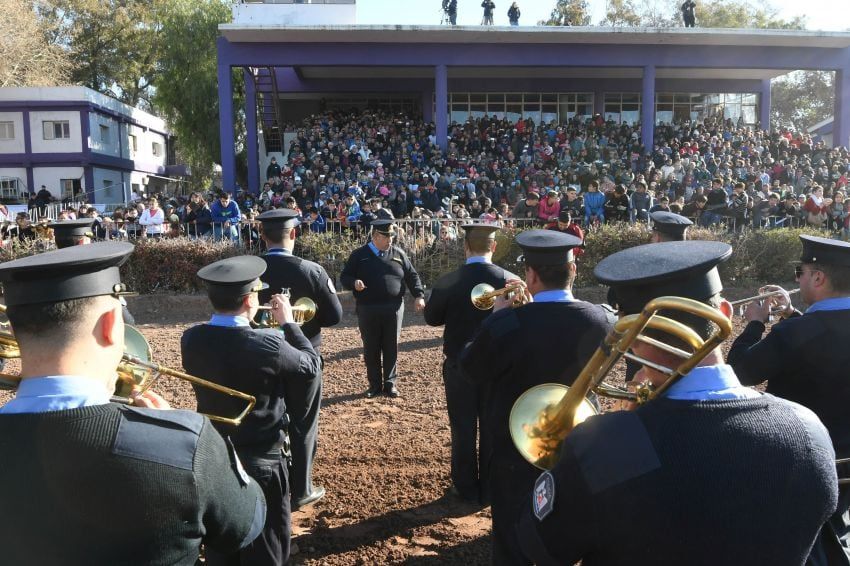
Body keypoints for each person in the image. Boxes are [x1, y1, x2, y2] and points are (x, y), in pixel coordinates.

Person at [518, 240, 839, 565]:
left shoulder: (603, 444)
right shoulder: (809, 431)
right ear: (725, 313)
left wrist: (619, 430)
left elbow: (544, 547)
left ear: (630, 333)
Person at [0, 242, 266, 564]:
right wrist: (177, 433)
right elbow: (245, 522)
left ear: (13, 329)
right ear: (113, 324)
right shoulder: (184, 443)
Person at [459, 230, 613, 565]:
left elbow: (470, 368)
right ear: (573, 271)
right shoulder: (602, 319)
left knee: (513, 541)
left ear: (530, 275)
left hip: (516, 447)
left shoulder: (507, 323)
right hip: (578, 442)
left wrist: (495, 318)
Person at [182, 255, 321, 566]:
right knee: (269, 545)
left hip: (215, 456)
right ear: (249, 300)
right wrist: (288, 322)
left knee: (222, 545)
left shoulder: (190, 339)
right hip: (263, 462)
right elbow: (311, 366)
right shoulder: (269, 343)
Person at [728, 234, 850, 559]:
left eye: (801, 272)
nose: (798, 278)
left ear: (818, 277)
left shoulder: (797, 333)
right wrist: (793, 315)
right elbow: (830, 340)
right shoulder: (801, 328)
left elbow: (739, 373)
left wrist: (754, 325)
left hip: (800, 463)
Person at [256, 208, 343, 510]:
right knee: (304, 422)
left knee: (266, 416)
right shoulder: (311, 270)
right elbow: (334, 316)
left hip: (260, 354)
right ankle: (301, 488)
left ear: (262, 235)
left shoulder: (250, 269)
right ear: (293, 234)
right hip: (303, 355)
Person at [424, 222, 517, 503]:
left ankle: (464, 487)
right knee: (492, 426)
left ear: (465, 247)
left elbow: (432, 318)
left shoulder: (450, 279)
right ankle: (489, 488)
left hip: (460, 365)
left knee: (462, 428)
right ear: (494, 247)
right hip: (497, 367)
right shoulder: (510, 279)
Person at [340, 219, 426, 398]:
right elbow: (345, 276)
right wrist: (353, 283)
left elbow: (412, 275)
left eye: (392, 237)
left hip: (394, 308)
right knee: (371, 347)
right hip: (367, 308)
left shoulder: (398, 254)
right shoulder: (359, 255)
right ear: (376, 236)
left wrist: (419, 295)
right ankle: (374, 385)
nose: (391, 241)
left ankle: (390, 383)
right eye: (387, 237)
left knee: (391, 346)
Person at [50, 218, 137, 325]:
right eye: (89, 238)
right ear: (83, 242)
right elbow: (126, 320)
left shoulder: (47, 267)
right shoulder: (99, 266)